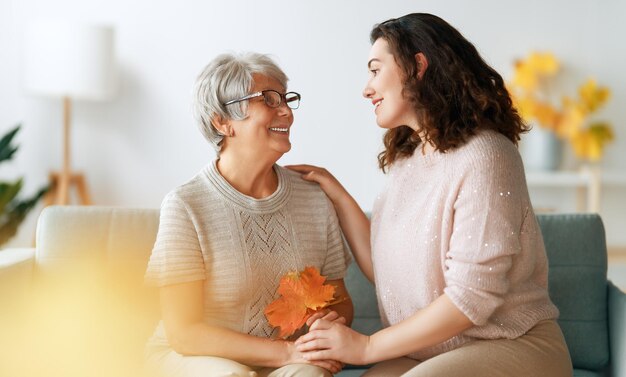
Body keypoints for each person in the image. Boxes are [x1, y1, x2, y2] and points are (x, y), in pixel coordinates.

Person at [289, 13, 572, 376]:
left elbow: (471, 297)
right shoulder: (408, 162)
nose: (366, 88)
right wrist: (338, 195)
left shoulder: (487, 155)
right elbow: (390, 273)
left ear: (417, 66)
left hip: (511, 344)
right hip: (435, 353)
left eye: (375, 70)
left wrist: (368, 346)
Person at [143, 52, 353, 377]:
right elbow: (184, 333)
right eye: (268, 99)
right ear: (223, 122)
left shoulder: (313, 198)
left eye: (286, 99)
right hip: (193, 358)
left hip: (286, 359)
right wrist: (284, 351)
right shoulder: (185, 206)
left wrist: (325, 327)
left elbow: (341, 301)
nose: (285, 111)